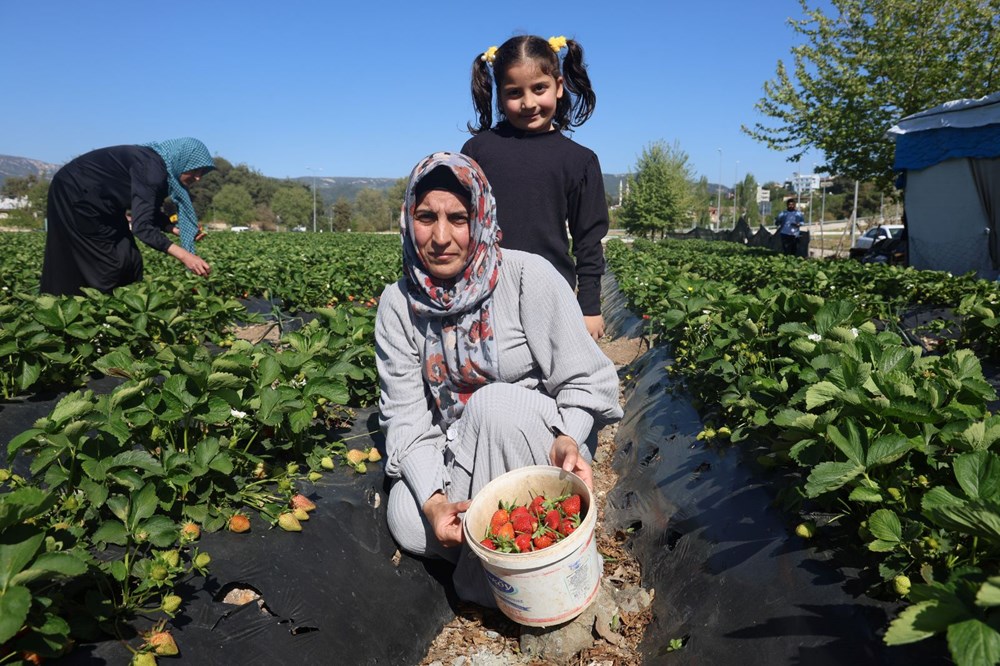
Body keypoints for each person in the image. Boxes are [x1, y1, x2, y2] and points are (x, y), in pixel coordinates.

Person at [376, 152, 622, 604]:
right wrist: (434, 504)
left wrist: (569, 436)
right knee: (408, 519)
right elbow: (406, 417)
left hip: (539, 442)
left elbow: (587, 379)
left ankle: (521, 589)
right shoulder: (398, 304)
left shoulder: (528, 276)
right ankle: (517, 555)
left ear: (483, 217)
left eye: (459, 217)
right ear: (408, 220)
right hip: (463, 446)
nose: (441, 237)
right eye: (426, 217)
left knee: (494, 406)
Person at [461, 35, 610, 341]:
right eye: (514, 93)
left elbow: (588, 240)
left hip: (553, 297)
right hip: (485, 296)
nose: (528, 103)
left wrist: (589, 308)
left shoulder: (579, 161)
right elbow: (460, 224)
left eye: (538, 88)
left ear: (558, 86)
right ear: (499, 97)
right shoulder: (477, 152)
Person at [40, 137, 215, 296]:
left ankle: (120, 311)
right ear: (181, 160)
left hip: (102, 202)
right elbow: (142, 227)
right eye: (194, 170)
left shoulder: (162, 170)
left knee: (130, 260)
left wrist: (177, 230)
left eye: (202, 172)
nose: (198, 177)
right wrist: (185, 256)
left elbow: (149, 211)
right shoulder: (152, 169)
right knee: (108, 263)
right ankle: (88, 313)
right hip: (75, 193)